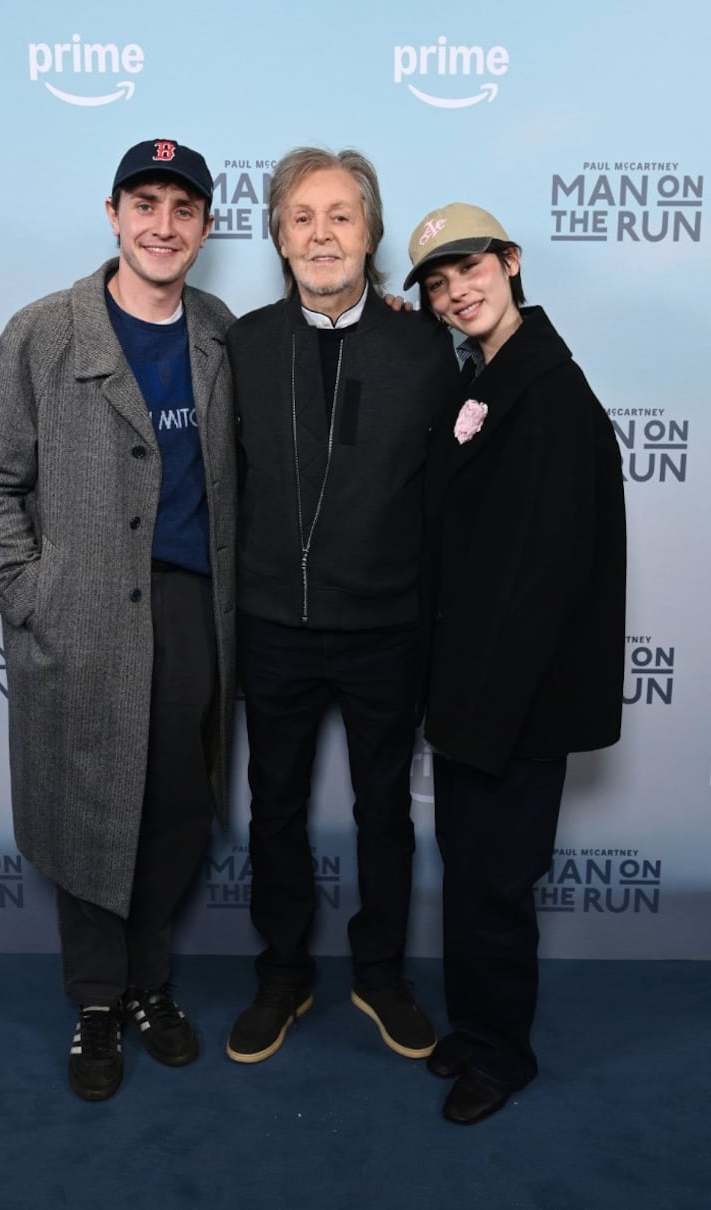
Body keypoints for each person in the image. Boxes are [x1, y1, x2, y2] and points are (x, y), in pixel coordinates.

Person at [0, 138, 236, 1102]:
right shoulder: (44, 331)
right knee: (87, 810)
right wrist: (31, 594)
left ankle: (151, 985)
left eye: (183, 209)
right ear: (113, 213)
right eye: (145, 203)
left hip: (192, 609)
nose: (164, 225)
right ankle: (96, 1001)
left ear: (205, 226)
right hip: (81, 616)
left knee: (174, 811)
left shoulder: (222, 334)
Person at [225, 147, 460, 1065]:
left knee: (383, 814)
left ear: (370, 235)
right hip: (273, 626)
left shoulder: (421, 345)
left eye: (341, 217)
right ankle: (282, 976)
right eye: (302, 218)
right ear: (280, 238)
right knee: (273, 808)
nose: (322, 234)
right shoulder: (242, 343)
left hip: (387, 629)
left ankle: (381, 973)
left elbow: (447, 496)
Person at [402, 203, 626, 1124]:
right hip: (470, 687)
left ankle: (506, 1055)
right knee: (467, 868)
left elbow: (542, 581)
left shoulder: (550, 394)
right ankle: (478, 1024)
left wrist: (483, 719)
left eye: (470, 269)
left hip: (516, 700)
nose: (458, 292)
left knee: (496, 878)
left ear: (511, 261)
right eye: (439, 283)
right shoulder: (489, 379)